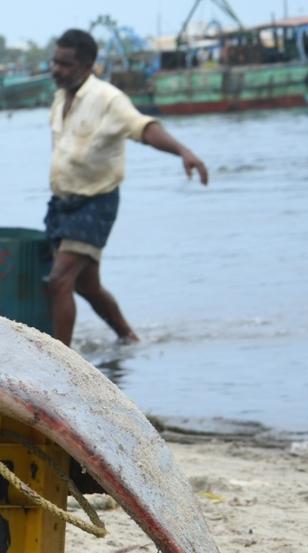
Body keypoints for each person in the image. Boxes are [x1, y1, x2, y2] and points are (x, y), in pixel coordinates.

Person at [45, 30, 208, 346]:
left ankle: (58, 362)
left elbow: (144, 128)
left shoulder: (108, 99)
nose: (56, 69)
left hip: (96, 202)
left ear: (88, 64)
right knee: (87, 285)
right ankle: (129, 337)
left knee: (59, 281)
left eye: (65, 64)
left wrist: (183, 152)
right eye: (55, 62)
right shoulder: (60, 98)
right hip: (63, 203)